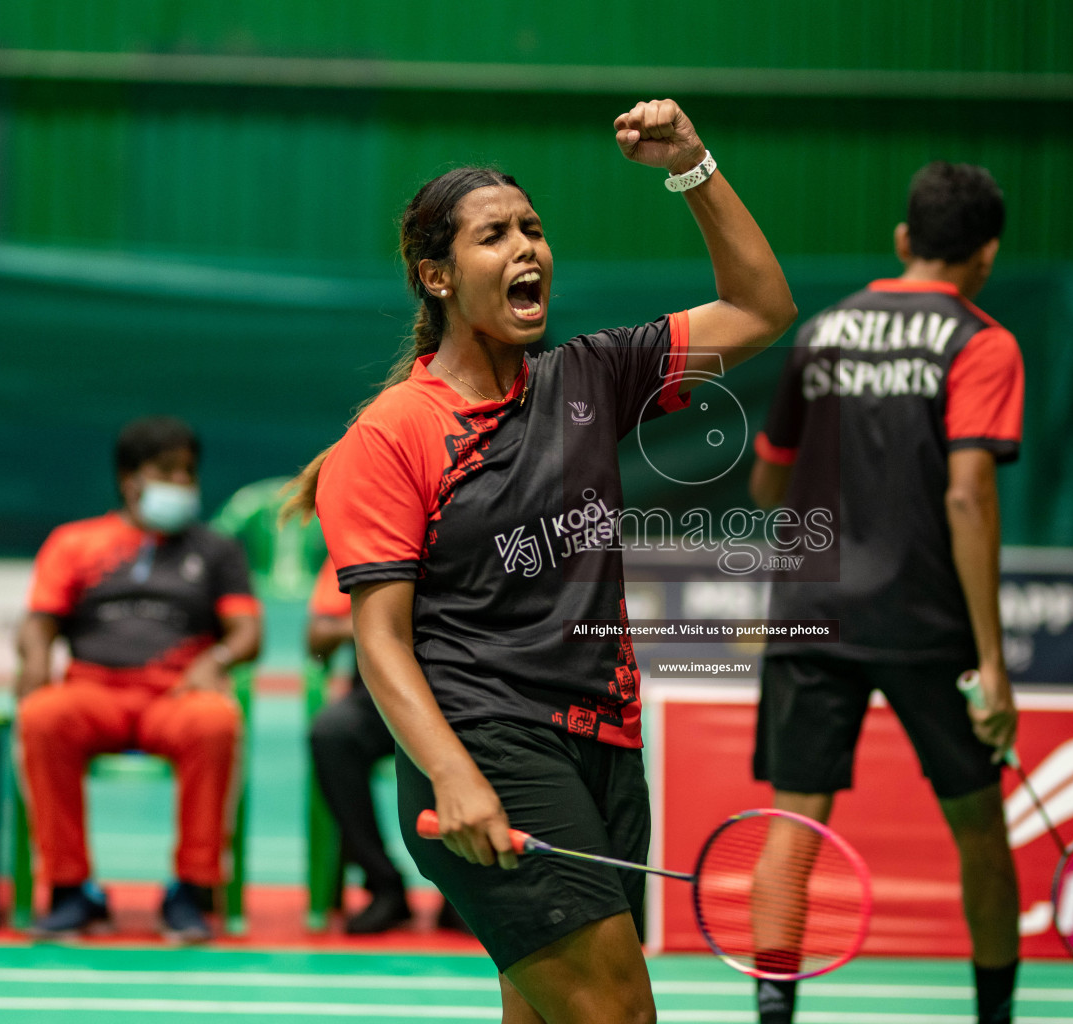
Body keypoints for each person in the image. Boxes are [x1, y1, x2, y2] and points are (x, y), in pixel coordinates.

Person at [285, 99, 793, 1022]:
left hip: (606, 744)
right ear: (435, 276)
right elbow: (382, 644)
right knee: (619, 1016)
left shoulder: (590, 377)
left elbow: (762, 308)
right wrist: (454, 775)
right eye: (495, 236)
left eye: (534, 229)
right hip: (490, 746)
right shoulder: (395, 434)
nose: (528, 249)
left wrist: (692, 164)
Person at [748, 162, 1022, 1024]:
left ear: (904, 240)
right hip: (926, 620)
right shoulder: (983, 343)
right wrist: (992, 661)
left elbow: (768, 484)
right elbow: (969, 493)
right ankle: (993, 1017)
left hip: (809, 608)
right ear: (986, 255)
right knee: (979, 828)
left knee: (794, 825)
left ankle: (774, 1012)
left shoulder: (822, 332)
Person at [14, 416, 262, 941]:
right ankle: (68, 890)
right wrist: (35, 663)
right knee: (42, 716)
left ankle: (192, 892)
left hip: (176, 692)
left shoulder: (216, 550)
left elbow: (246, 633)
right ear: (131, 480)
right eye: (167, 472)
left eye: (189, 473)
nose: (182, 484)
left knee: (215, 723)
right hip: (92, 691)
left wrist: (215, 659)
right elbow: (39, 623)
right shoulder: (74, 543)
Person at [306, 557, 470, 934]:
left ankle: (463, 890)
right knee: (332, 734)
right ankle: (382, 884)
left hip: (462, 690)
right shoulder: (361, 542)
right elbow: (316, 636)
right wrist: (382, 624)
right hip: (382, 694)